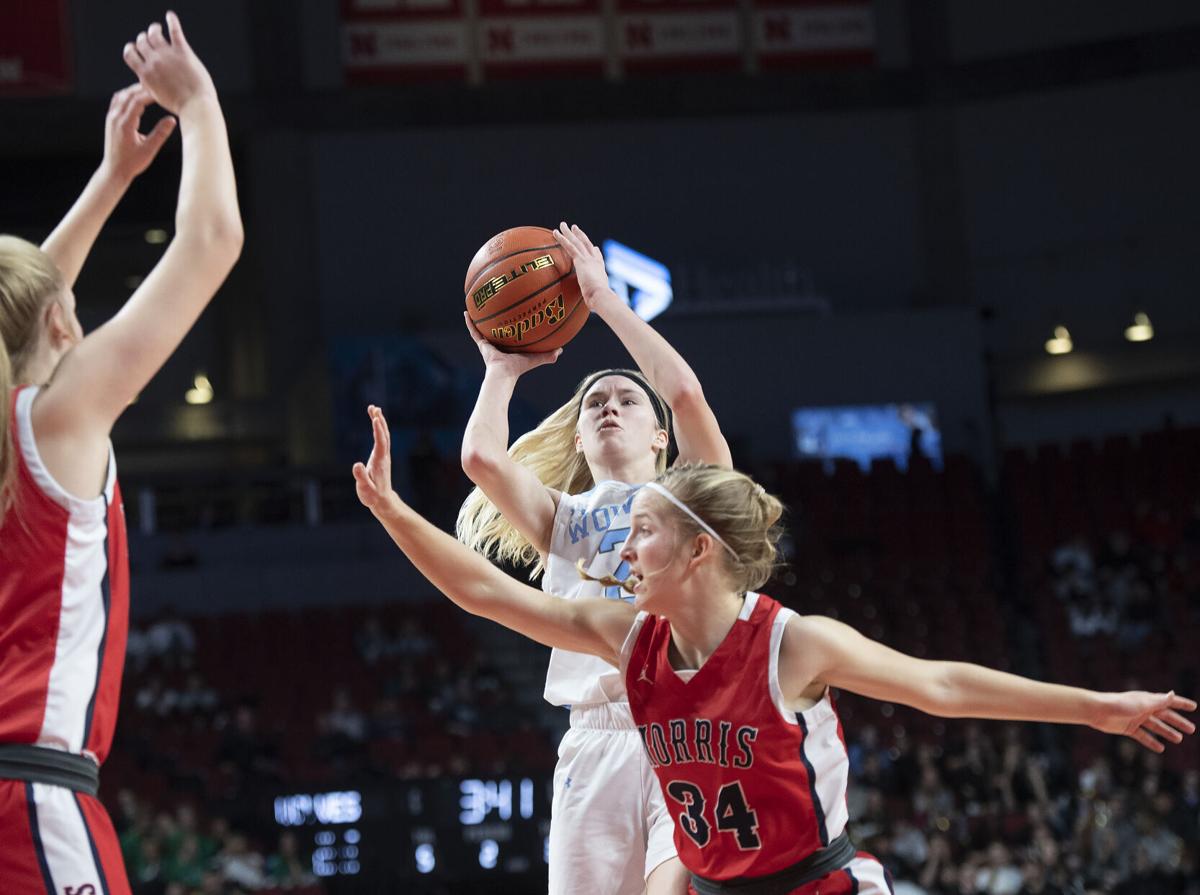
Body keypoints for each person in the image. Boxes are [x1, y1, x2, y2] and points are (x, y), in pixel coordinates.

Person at [353, 414, 1196, 895]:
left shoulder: (793, 644)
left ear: (697, 553)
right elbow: (487, 593)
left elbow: (939, 684)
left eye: (641, 531)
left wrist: (1096, 706)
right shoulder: (628, 637)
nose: (621, 551)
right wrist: (393, 512)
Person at [0, 13, 242, 893]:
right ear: (63, 320)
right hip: (27, 800)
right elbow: (211, 243)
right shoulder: (56, 420)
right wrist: (204, 107)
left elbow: (22, 301)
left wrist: (111, 180)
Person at [456, 222, 731, 895]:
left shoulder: (690, 495)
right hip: (593, 740)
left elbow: (688, 393)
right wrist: (500, 371)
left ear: (659, 433)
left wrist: (605, 301)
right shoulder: (565, 518)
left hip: (686, 732)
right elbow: (481, 459)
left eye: (628, 399)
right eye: (595, 403)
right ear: (578, 437)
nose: (610, 406)